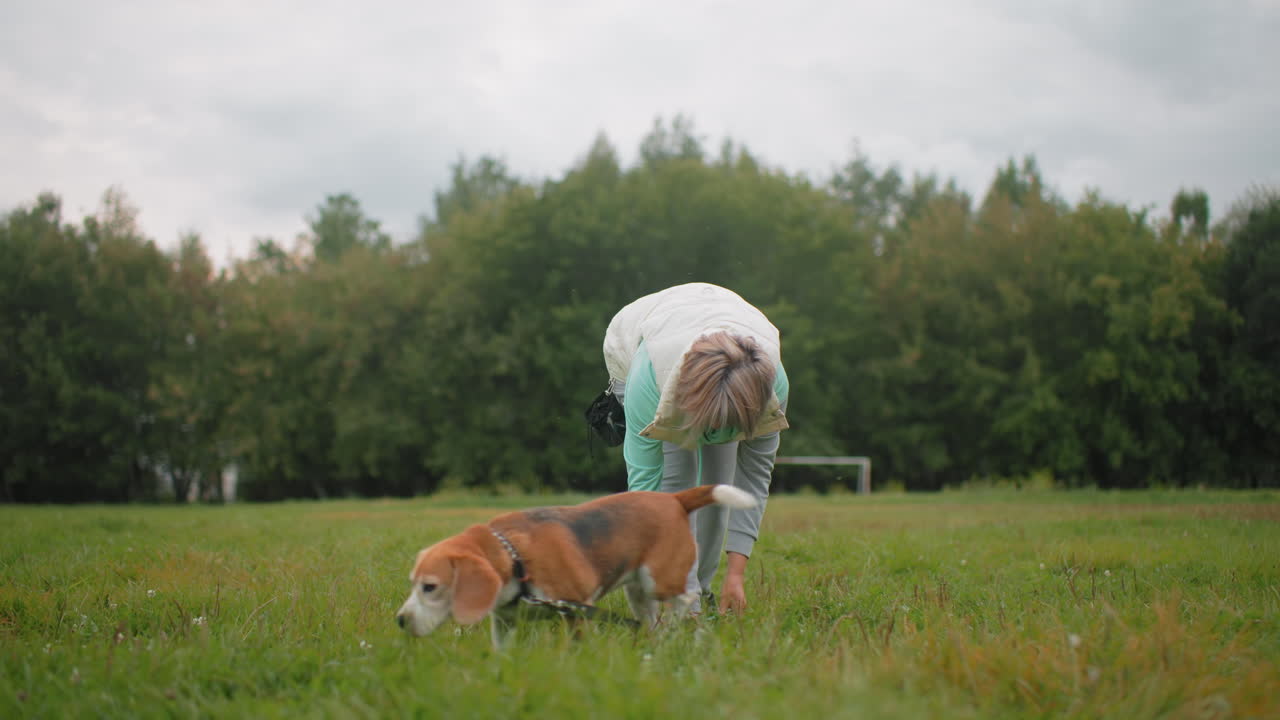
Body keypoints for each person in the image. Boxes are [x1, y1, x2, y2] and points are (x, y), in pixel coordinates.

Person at [601, 282, 789, 615]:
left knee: (718, 483)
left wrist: (736, 576)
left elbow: (752, 482)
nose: (716, 435)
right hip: (638, 346)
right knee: (676, 480)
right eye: (712, 426)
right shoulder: (648, 382)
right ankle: (681, 597)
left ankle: (701, 592)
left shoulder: (772, 387)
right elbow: (647, 490)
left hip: (726, 336)